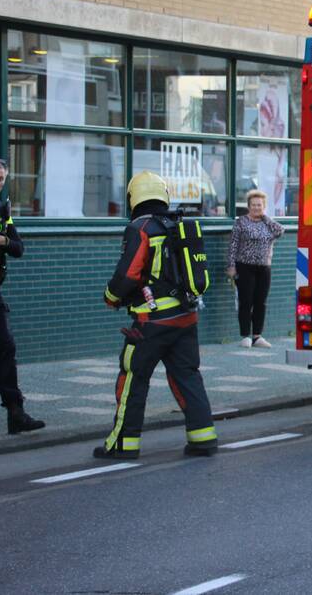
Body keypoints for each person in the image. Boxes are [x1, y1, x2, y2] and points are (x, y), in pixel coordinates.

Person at [95, 171, 217, 459]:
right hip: (185, 318)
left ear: (133, 197)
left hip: (150, 324)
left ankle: (123, 444)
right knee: (187, 375)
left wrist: (110, 297)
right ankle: (204, 438)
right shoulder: (176, 224)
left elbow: (128, 274)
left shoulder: (141, 227)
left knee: (132, 379)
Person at [0, 159, 45, 435]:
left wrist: (4, 241)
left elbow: (19, 248)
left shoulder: (3, 210)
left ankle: (16, 414)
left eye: (1, 178)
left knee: (6, 348)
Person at [226, 189, 285, 348]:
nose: (256, 208)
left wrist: (265, 217)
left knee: (261, 302)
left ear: (264, 206)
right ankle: (245, 335)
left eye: (259, 205)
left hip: (264, 267)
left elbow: (280, 231)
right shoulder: (241, 222)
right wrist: (231, 266)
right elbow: (233, 245)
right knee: (246, 301)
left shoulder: (268, 223)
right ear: (248, 206)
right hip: (244, 266)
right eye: (253, 205)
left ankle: (257, 336)